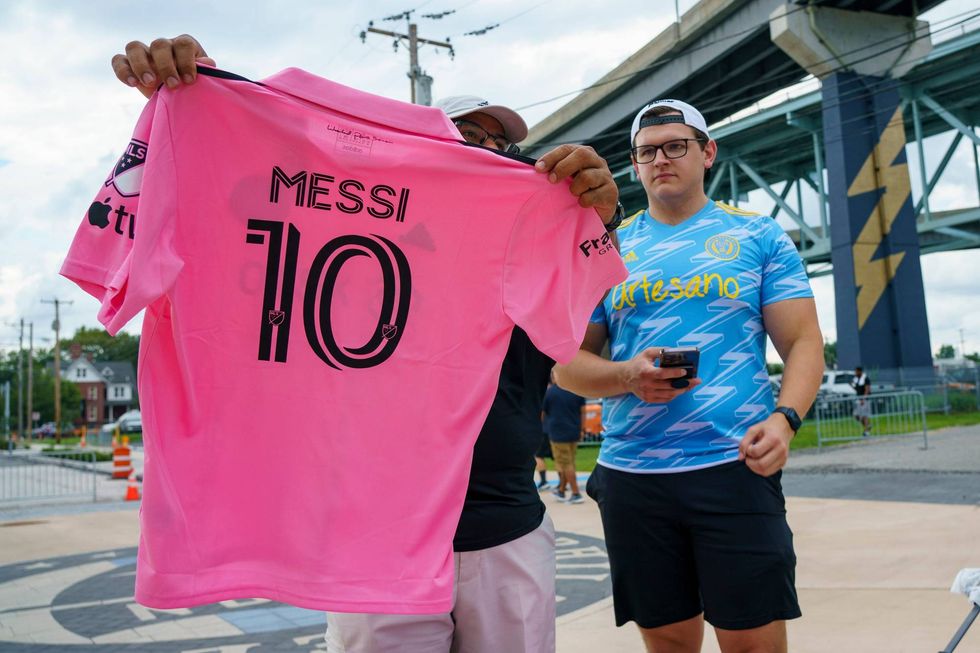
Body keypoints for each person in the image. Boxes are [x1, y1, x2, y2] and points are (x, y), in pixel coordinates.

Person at [110, 35, 625, 653]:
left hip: (501, 521)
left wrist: (600, 215)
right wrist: (197, 105)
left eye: (500, 144)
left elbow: (581, 305)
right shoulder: (349, 225)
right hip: (369, 537)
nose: (487, 150)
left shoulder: (517, 220)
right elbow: (235, 202)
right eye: (465, 135)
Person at [554, 98, 824, 653]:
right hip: (634, 476)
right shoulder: (607, 248)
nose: (661, 160)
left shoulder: (759, 236)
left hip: (734, 466)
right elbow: (566, 365)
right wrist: (626, 375)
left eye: (676, 146)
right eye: (647, 151)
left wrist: (785, 419)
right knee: (669, 642)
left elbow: (802, 341)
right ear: (634, 165)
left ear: (708, 152)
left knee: (752, 642)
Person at [542, 376, 586, 503]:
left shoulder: (550, 392)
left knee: (565, 464)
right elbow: (583, 411)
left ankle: (576, 493)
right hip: (574, 432)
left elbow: (543, 413)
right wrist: (582, 429)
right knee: (570, 463)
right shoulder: (576, 389)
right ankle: (561, 490)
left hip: (558, 433)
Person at [852, 365, 872, 436]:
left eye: (856, 371)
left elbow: (867, 389)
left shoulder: (865, 378)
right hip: (858, 399)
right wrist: (852, 386)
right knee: (856, 415)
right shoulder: (856, 379)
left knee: (864, 416)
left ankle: (866, 431)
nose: (855, 372)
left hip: (864, 400)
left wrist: (864, 398)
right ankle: (868, 425)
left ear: (860, 371)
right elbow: (856, 389)